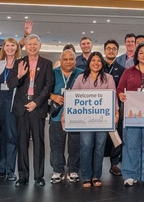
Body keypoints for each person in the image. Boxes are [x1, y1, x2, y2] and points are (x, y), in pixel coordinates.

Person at [7, 34, 55, 187]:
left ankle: (39, 176)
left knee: (39, 144)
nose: (32, 47)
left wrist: (36, 102)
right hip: (21, 108)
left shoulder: (47, 63)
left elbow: (49, 86)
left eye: (35, 44)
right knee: (21, 143)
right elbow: (10, 84)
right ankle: (23, 176)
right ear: (26, 46)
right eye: (30, 44)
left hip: (37, 108)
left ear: (39, 46)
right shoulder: (19, 62)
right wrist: (19, 76)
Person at [116, 42, 144, 187]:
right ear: (137, 55)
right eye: (141, 52)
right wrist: (121, 96)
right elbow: (119, 89)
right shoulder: (128, 71)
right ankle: (130, 174)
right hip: (132, 115)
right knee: (131, 144)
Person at [71, 51, 118, 188]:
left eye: (98, 60)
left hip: (103, 120)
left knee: (99, 148)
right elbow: (73, 97)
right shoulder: (81, 78)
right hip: (85, 120)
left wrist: (116, 114)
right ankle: (86, 176)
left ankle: (96, 175)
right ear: (89, 63)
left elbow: (113, 97)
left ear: (102, 63)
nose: (96, 63)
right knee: (86, 147)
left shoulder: (108, 78)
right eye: (93, 60)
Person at [49, 46, 82, 183]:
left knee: (75, 144)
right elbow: (44, 90)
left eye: (71, 59)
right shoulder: (52, 73)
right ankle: (58, 170)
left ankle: (73, 169)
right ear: (60, 60)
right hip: (57, 114)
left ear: (75, 61)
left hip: (76, 116)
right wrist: (52, 96)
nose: (68, 62)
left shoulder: (81, 74)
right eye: (65, 59)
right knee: (56, 143)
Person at [0, 37, 21, 182]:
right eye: (7, 45)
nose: (9, 48)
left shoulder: (21, 62)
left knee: (12, 137)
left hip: (12, 104)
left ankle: (10, 170)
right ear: (3, 47)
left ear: (16, 47)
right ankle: (0, 169)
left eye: (12, 45)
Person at [102, 39, 126, 176]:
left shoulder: (122, 70)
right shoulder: (98, 67)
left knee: (116, 136)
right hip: (99, 109)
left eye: (114, 49)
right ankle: (96, 164)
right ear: (104, 51)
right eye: (108, 48)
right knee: (100, 138)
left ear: (117, 52)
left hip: (116, 108)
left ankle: (114, 164)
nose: (111, 50)